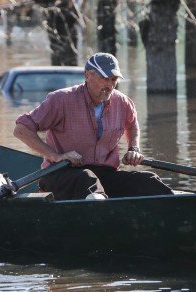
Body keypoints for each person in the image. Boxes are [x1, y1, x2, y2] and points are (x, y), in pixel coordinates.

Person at [13, 52, 174, 200]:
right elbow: (21, 130)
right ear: (87, 75)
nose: (110, 85)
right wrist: (56, 156)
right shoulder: (60, 100)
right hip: (60, 174)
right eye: (104, 78)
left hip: (103, 175)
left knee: (148, 181)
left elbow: (132, 125)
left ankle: (177, 207)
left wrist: (134, 148)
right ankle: (98, 207)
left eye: (113, 79)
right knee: (86, 178)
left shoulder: (123, 102)